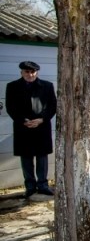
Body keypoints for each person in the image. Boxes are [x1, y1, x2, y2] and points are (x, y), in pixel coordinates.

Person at [6, 61, 57, 198]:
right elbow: (10, 107)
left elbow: (52, 105)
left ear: (37, 72)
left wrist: (41, 119)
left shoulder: (47, 86)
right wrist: (23, 121)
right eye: (27, 72)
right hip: (23, 128)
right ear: (21, 72)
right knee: (26, 158)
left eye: (33, 72)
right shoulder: (12, 87)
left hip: (41, 127)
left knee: (42, 158)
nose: (30, 74)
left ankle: (43, 185)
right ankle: (30, 187)